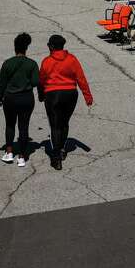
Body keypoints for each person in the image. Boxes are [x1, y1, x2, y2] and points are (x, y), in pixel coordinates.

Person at [38, 34, 93, 170]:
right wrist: (88, 97)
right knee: (64, 122)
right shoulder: (72, 59)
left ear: (51, 47)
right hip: (70, 95)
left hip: (53, 95)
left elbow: (41, 80)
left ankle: (56, 158)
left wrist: (41, 95)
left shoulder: (47, 61)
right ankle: (62, 150)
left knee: (55, 126)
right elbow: (81, 78)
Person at [0, 32, 37, 167]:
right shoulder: (32, 64)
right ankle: (21, 156)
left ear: (15, 48)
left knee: (10, 125)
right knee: (23, 127)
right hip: (26, 98)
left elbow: (2, 83)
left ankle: (9, 152)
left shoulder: (8, 63)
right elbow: (36, 82)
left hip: (10, 98)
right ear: (26, 48)